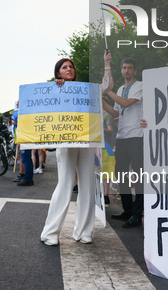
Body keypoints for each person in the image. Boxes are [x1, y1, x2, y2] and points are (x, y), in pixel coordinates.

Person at [41, 58, 96, 246]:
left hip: (87, 139)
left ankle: (84, 231)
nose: (69, 69)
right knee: (65, 184)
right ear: (58, 73)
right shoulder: (53, 89)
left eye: (71, 66)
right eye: (64, 67)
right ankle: (50, 232)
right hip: (65, 140)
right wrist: (57, 88)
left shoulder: (85, 89)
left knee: (88, 186)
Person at [102, 54, 144, 228]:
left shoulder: (140, 86)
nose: (126, 70)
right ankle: (127, 210)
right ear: (121, 70)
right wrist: (101, 100)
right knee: (121, 175)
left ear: (134, 70)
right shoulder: (119, 89)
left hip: (137, 135)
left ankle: (137, 214)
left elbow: (126, 104)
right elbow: (117, 112)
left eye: (129, 68)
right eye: (124, 68)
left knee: (139, 176)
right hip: (123, 136)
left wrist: (107, 91)